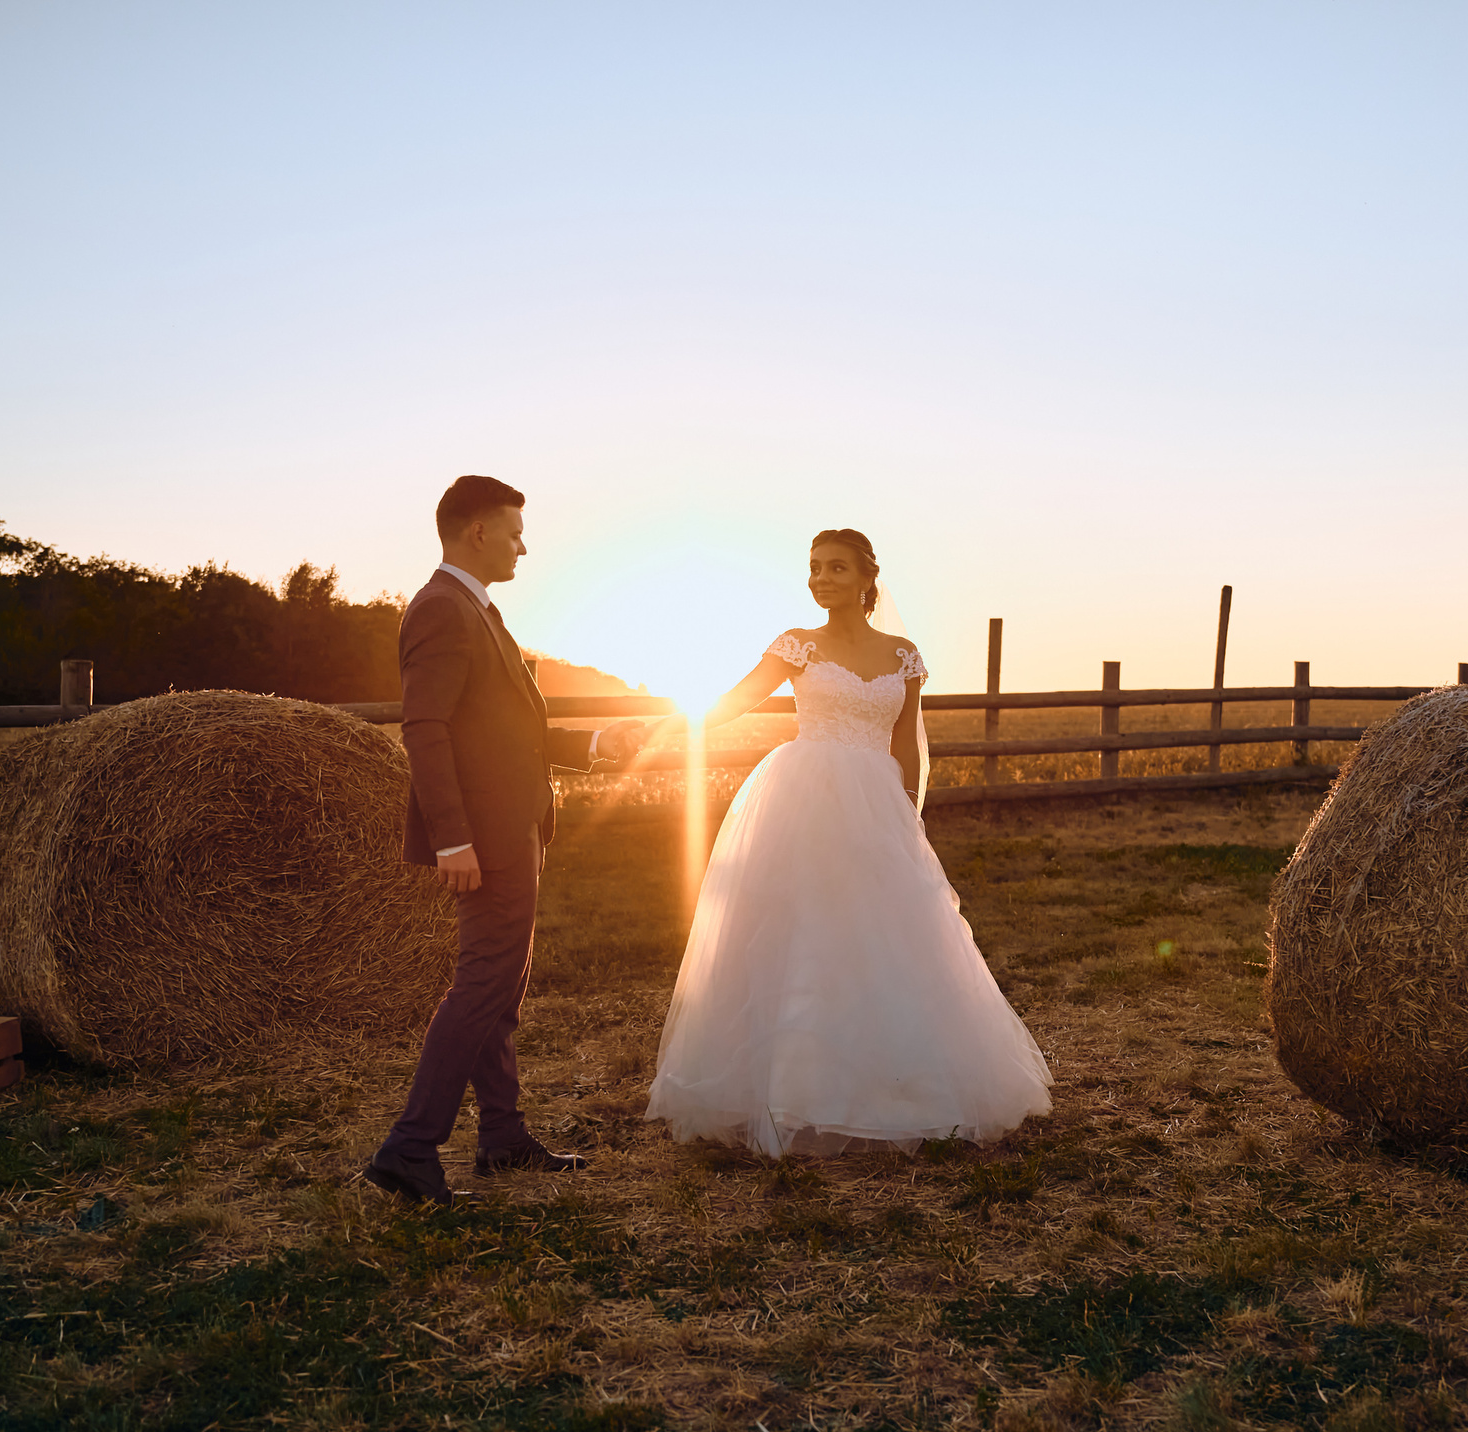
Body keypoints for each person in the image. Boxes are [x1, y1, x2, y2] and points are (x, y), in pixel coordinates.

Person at [644, 528, 1051, 1157]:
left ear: (868, 577)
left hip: (876, 803)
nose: (820, 579)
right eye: (813, 568)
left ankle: (895, 1087)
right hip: (803, 797)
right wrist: (669, 724)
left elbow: (905, 744)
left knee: (884, 932)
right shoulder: (797, 645)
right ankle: (791, 1091)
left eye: (835, 568)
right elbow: (738, 700)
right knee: (804, 930)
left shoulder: (904, 655)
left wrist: (909, 815)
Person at [360, 475, 650, 1203]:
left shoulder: (475, 608)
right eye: (515, 530)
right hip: (483, 838)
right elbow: (424, 727)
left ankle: (501, 1136)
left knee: (502, 984)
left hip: (511, 828)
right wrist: (453, 838)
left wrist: (592, 747)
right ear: (476, 532)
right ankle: (410, 1145)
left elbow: (500, 731)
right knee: (485, 980)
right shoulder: (442, 609)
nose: (525, 543)